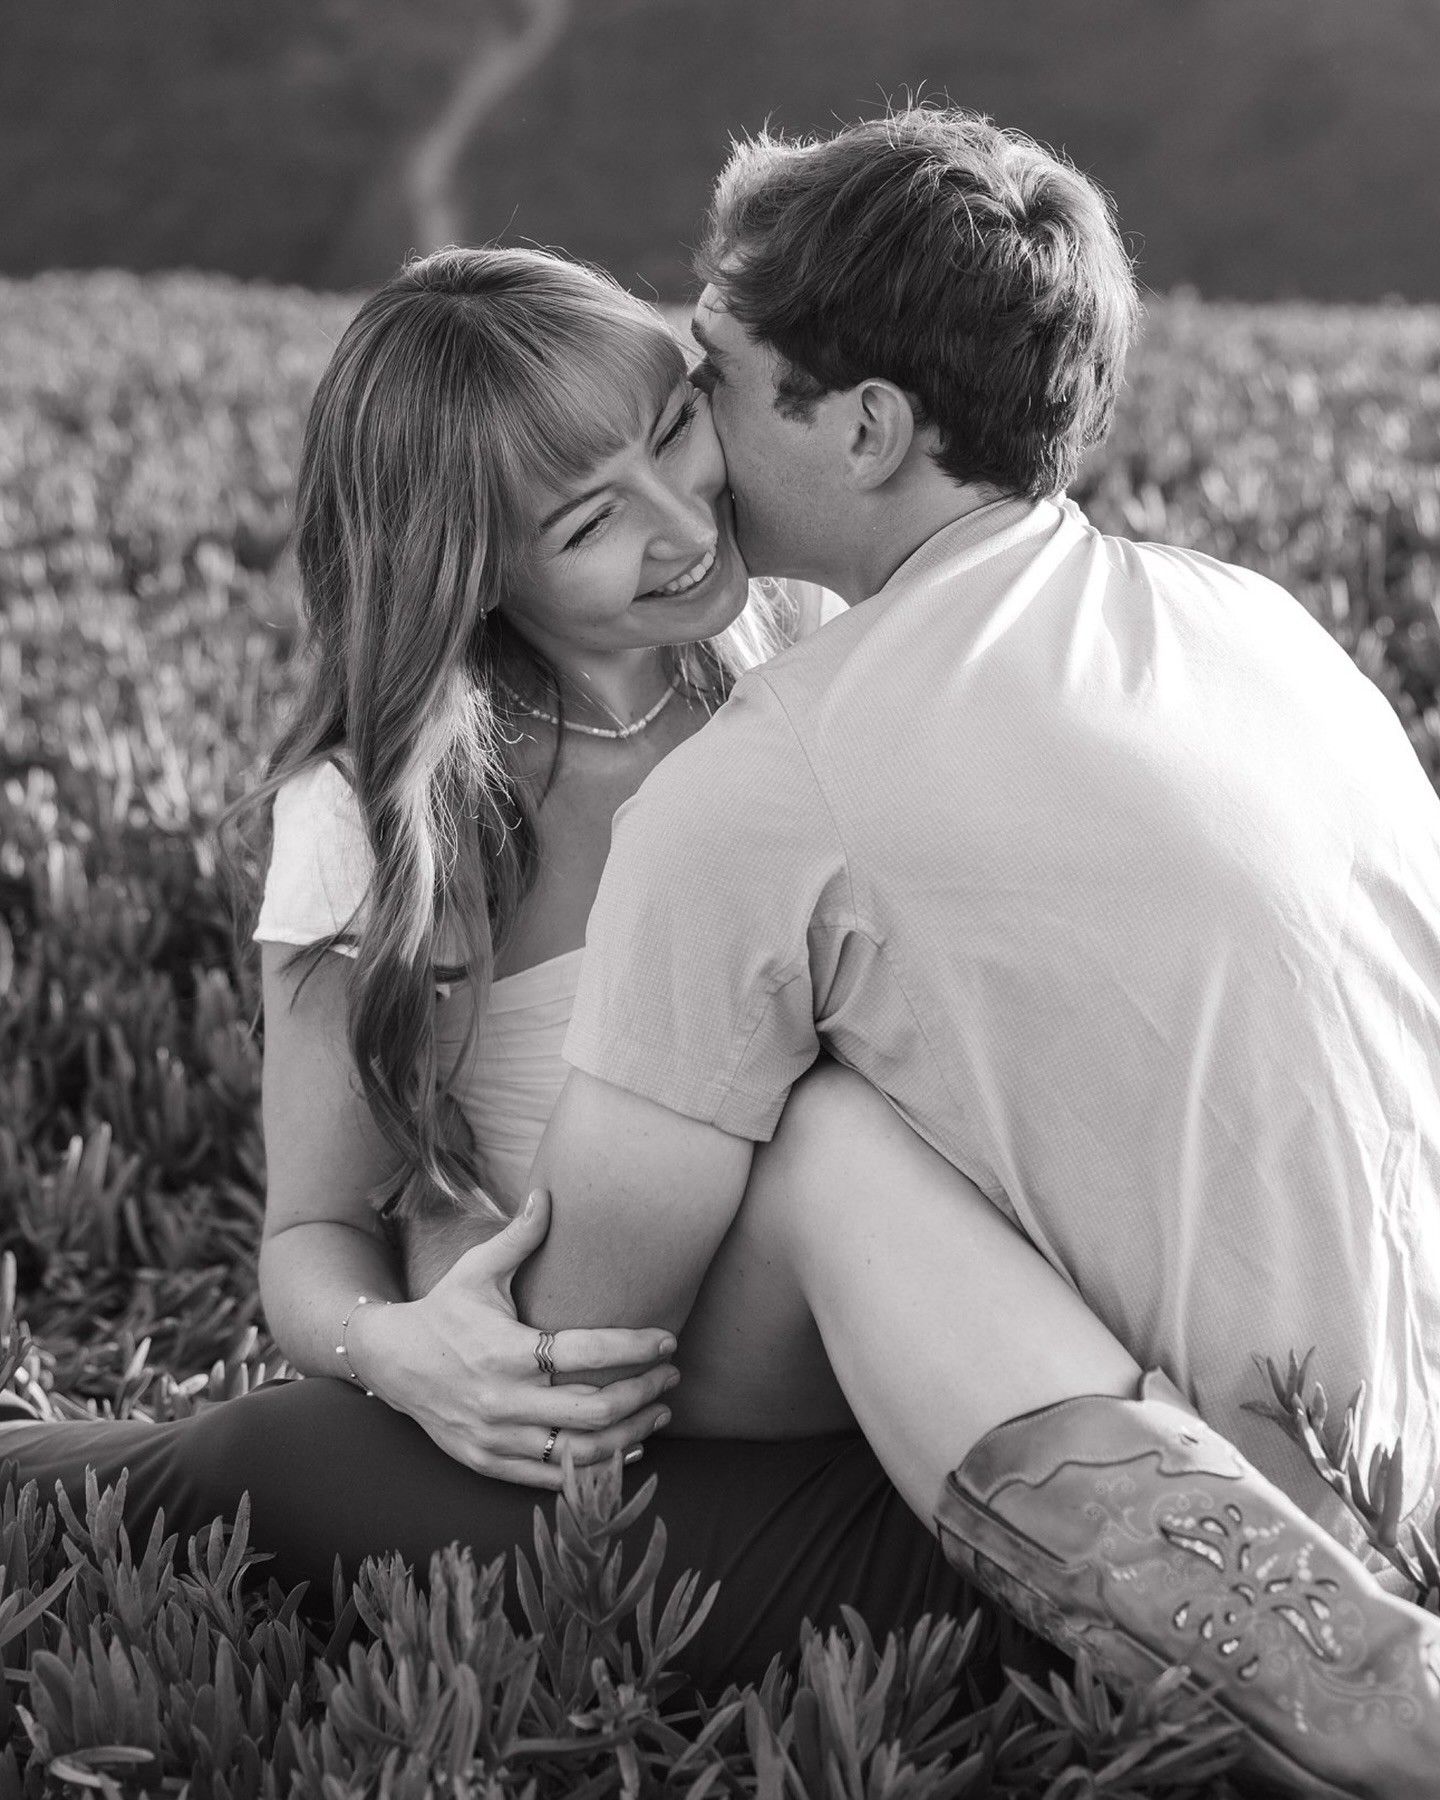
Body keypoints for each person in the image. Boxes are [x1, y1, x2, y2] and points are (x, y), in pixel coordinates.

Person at [508, 110, 1440, 1797]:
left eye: (710, 376)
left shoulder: (777, 776)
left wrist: (398, 1313)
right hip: (1411, 1470)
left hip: (1192, 1554)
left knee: (820, 1148)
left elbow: (589, 1345)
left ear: (864, 426)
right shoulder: (1263, 623)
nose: (690, 431)